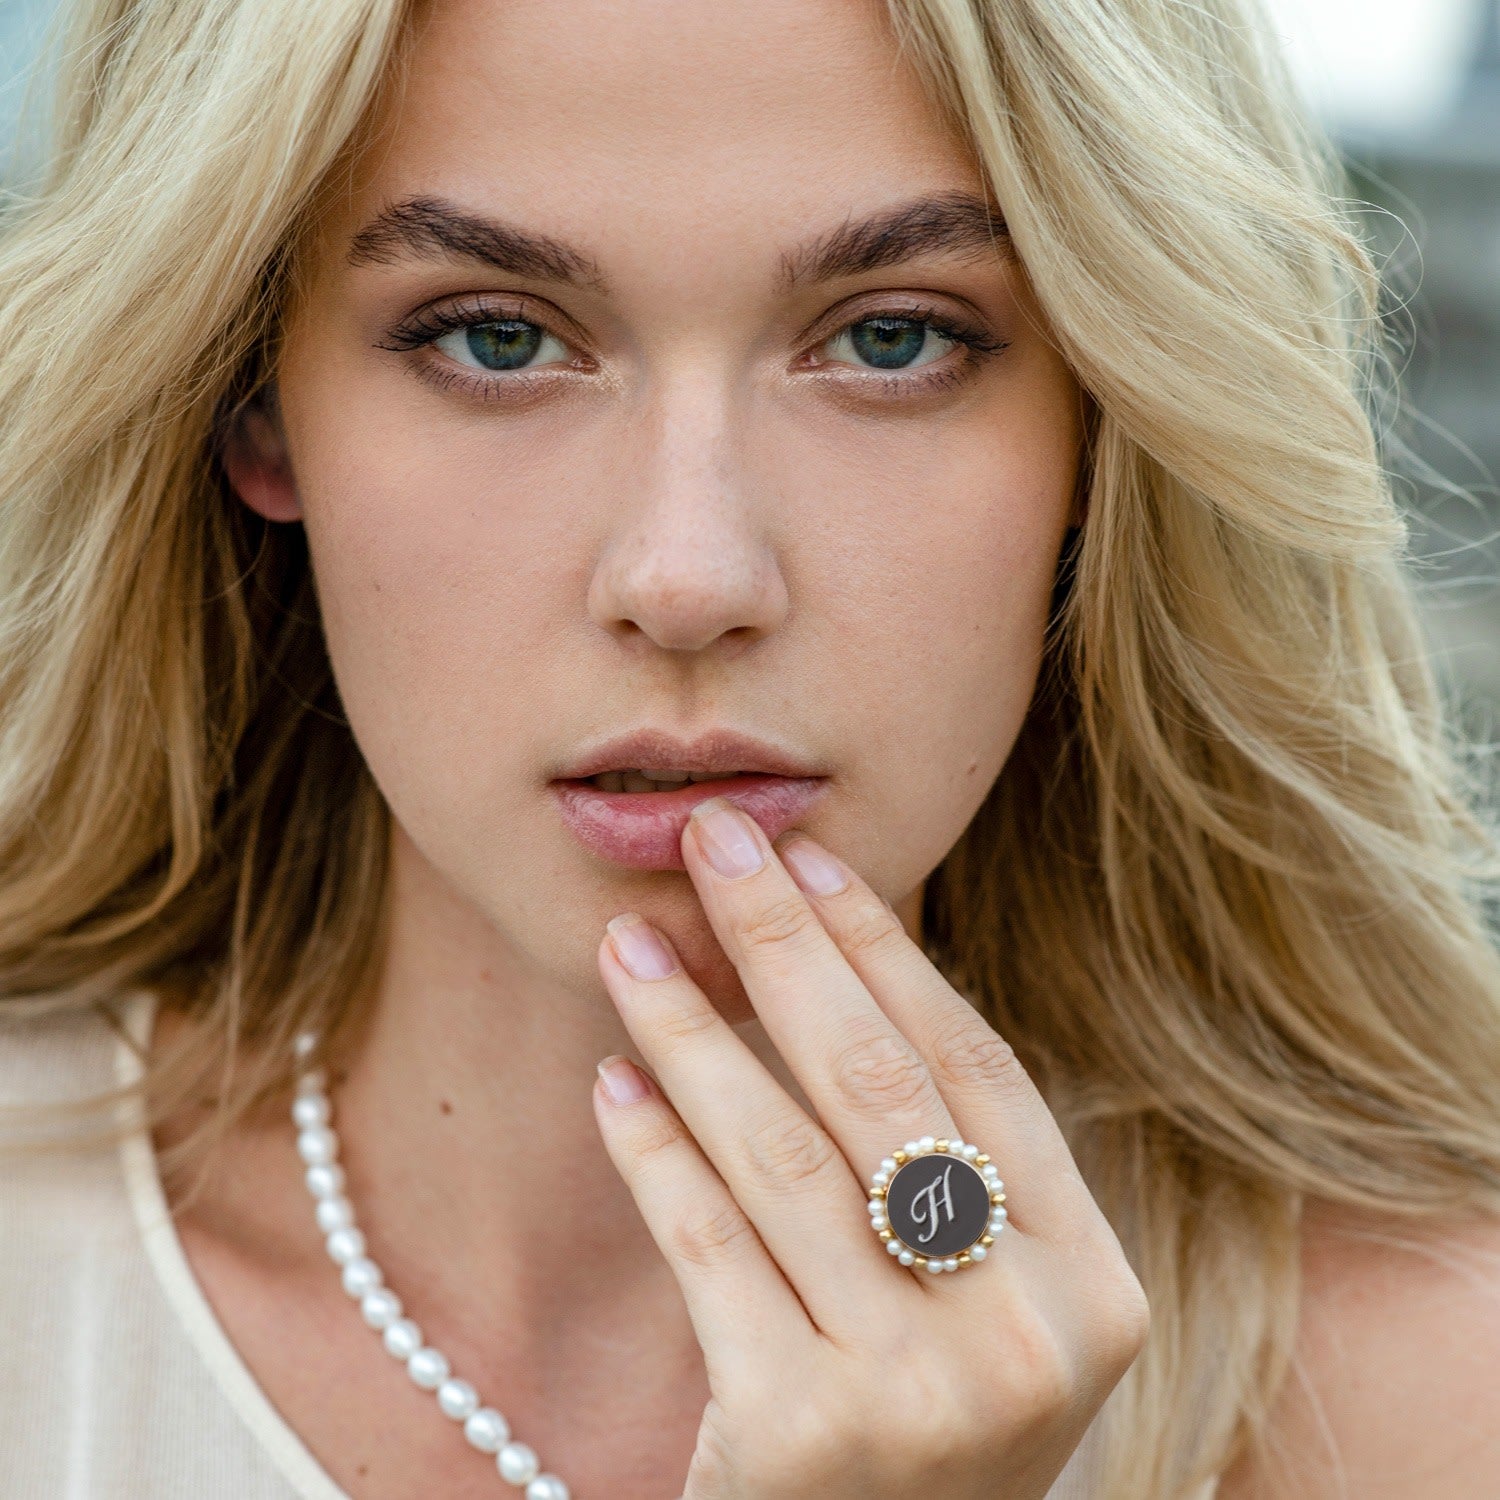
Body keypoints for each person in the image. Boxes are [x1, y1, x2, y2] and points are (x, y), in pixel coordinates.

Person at [2, 0, 1498, 1495]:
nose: (688, 579)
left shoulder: (1426, 1393)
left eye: (893, 339)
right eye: (498, 339)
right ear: (252, 402)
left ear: (1104, 428)